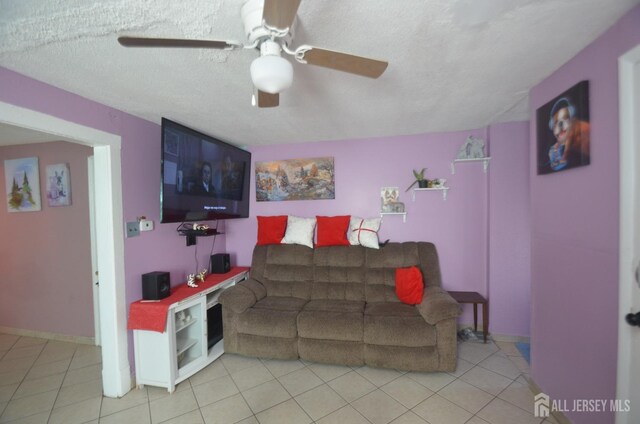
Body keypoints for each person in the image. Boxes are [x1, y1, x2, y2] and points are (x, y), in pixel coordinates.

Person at [547, 97, 590, 171]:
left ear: (573, 120)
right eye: (555, 124)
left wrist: (563, 158)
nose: (560, 126)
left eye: (565, 119)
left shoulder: (584, 130)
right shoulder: (559, 145)